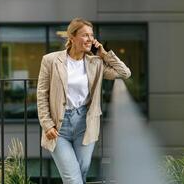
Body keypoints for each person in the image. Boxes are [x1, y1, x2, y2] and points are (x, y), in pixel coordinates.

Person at [37, 18, 131, 184]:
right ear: (72, 37)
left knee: (81, 173)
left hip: (85, 124)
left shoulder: (95, 63)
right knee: (72, 178)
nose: (89, 39)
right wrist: (47, 124)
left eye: (91, 35)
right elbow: (42, 94)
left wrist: (103, 53)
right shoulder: (51, 60)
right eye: (84, 35)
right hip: (59, 127)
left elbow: (124, 73)